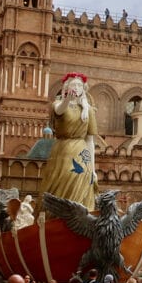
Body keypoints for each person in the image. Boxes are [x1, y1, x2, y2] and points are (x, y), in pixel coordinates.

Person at [37, 72, 100, 211]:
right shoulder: (58, 103)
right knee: (62, 180)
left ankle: (82, 219)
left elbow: (90, 140)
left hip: (82, 151)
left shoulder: (88, 110)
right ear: (66, 87)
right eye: (74, 85)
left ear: (83, 88)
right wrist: (67, 100)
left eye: (79, 85)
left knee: (83, 181)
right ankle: (56, 219)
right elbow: (59, 111)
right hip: (63, 150)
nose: (77, 87)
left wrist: (93, 169)